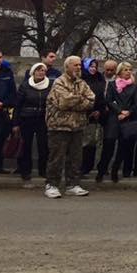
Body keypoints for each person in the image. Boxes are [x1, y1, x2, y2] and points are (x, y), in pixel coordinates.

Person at [43, 56, 95, 198]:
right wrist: (79, 99)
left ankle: (73, 184)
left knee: (75, 157)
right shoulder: (59, 82)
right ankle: (51, 184)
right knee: (56, 157)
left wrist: (75, 99)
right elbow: (63, 102)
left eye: (79, 65)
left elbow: (91, 100)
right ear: (67, 67)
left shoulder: (82, 83)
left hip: (77, 126)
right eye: (75, 65)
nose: (78, 67)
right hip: (59, 126)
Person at [12, 62, 52, 187]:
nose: (41, 73)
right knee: (26, 146)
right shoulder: (25, 86)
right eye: (38, 70)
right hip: (26, 118)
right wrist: (16, 123)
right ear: (33, 72)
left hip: (43, 119)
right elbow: (17, 106)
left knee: (43, 145)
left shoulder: (50, 85)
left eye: (43, 70)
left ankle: (43, 170)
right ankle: (25, 171)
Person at [106, 62, 137, 183]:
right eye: (125, 70)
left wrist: (128, 112)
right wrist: (119, 111)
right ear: (119, 72)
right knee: (109, 144)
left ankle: (115, 170)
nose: (128, 72)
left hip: (128, 119)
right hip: (114, 118)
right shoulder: (112, 85)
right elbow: (109, 100)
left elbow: (136, 103)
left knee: (123, 147)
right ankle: (103, 169)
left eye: (129, 69)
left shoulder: (134, 86)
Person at [80, 58, 107, 175]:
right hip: (82, 115)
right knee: (81, 143)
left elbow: (102, 97)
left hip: (95, 115)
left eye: (95, 67)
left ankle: (87, 167)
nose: (93, 69)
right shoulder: (81, 79)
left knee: (91, 143)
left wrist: (99, 110)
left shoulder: (100, 78)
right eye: (91, 66)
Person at [0, 50, 17, 174]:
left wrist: (3, 103)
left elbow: (12, 93)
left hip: (2, 112)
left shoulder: (7, 73)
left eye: (0, 57)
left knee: (0, 140)